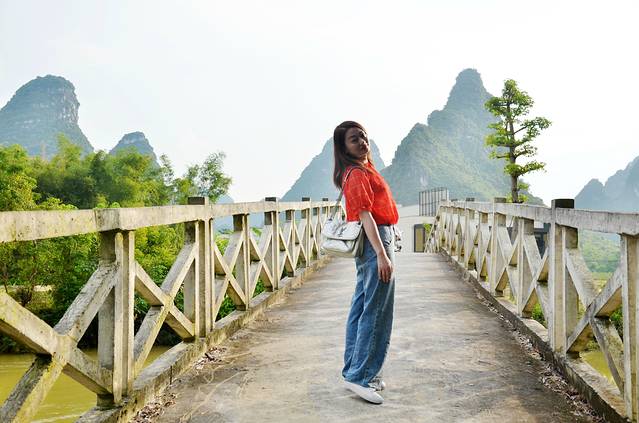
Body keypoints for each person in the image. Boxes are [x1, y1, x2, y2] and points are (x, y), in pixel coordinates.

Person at [333, 121, 399, 404]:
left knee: (362, 306)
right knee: (376, 310)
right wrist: (382, 254)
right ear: (344, 148)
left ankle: (355, 370)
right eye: (353, 139)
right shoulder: (357, 173)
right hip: (375, 243)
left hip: (375, 240)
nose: (362, 141)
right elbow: (364, 215)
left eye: (363, 136)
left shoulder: (363, 169)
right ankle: (362, 377)